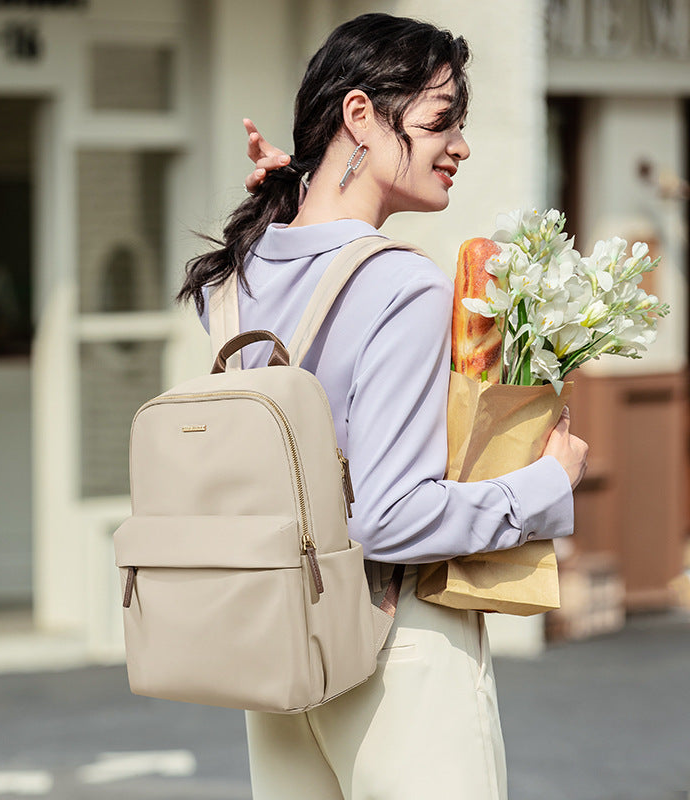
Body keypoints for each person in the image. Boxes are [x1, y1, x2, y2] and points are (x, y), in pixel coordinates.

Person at [178, 13, 588, 800]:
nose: (460, 147)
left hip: (279, 651)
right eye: (440, 122)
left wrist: (290, 189)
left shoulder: (237, 277)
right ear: (359, 114)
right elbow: (389, 517)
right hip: (394, 647)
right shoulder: (401, 284)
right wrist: (544, 488)